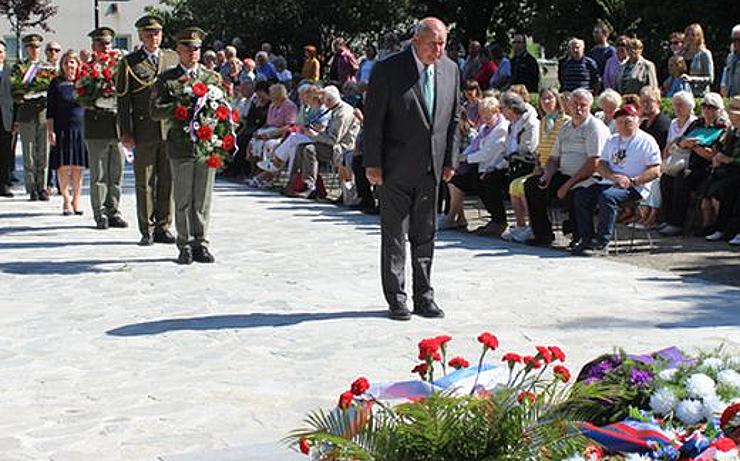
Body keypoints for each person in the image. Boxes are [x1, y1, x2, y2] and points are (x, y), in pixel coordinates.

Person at [364, 17, 459, 321]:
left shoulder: (451, 70)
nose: (438, 50)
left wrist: (449, 161)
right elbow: (373, 122)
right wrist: (373, 164)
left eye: (443, 43)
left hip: (431, 168)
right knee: (394, 235)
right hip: (394, 168)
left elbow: (454, 121)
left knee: (426, 234)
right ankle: (397, 297)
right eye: (433, 43)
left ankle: (424, 296)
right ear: (417, 40)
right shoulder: (389, 70)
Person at [150, 27, 221, 265]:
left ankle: (200, 242)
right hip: (180, 144)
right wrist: (177, 108)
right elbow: (154, 111)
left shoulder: (211, 78)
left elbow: (222, 110)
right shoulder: (167, 79)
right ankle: (184, 243)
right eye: (188, 48)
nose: (193, 52)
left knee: (202, 197)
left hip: (206, 144)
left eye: (197, 48)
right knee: (182, 197)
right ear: (178, 51)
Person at [116, 14, 179, 246]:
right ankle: (147, 228)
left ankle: (164, 225)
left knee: (167, 180)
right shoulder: (129, 62)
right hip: (143, 130)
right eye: (150, 33)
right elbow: (123, 101)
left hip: (169, 130)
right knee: (144, 181)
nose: (154, 37)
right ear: (141, 35)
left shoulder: (172, 58)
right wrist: (126, 131)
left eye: (158, 33)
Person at [525, 88, 609, 247]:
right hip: (564, 174)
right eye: (575, 104)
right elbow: (554, 158)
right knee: (532, 186)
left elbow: (594, 163)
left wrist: (567, 185)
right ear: (568, 105)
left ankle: (580, 236)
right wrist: (547, 175)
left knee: (575, 193)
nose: (578, 108)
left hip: (589, 177)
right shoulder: (565, 127)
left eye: (582, 105)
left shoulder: (594, 127)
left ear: (590, 106)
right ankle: (543, 235)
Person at [573, 104, 661, 255]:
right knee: (581, 195)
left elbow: (655, 170)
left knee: (608, 197)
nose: (623, 125)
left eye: (628, 121)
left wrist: (633, 181)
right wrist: (612, 176)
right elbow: (601, 164)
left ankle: (602, 243)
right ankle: (586, 239)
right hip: (609, 182)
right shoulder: (613, 140)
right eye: (619, 122)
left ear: (637, 121)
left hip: (634, 187)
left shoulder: (646, 141)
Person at [660, 92, 728, 236]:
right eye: (704, 106)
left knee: (683, 177)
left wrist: (693, 147)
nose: (707, 111)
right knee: (666, 178)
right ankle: (667, 219)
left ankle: (677, 223)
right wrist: (685, 143)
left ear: (719, 110)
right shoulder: (697, 123)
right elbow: (681, 140)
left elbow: (712, 155)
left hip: (708, 168)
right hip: (690, 162)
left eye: (712, 108)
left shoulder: (722, 127)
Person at [506, 88, 569, 243]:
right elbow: (541, 148)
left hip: (558, 168)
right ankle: (531, 228)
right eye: (543, 99)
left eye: (550, 98)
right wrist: (538, 166)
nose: (546, 102)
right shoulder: (543, 122)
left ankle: (537, 230)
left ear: (557, 100)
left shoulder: (565, 121)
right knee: (519, 185)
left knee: (529, 186)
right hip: (543, 167)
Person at [441, 96, 508, 232]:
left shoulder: (501, 129)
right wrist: (459, 158)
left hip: (497, 167)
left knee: (486, 182)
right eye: (482, 114)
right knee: (455, 180)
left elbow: (486, 154)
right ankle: (455, 217)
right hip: (482, 166)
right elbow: (473, 147)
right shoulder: (484, 128)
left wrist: (464, 159)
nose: (484, 118)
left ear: (497, 112)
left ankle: (499, 220)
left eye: (488, 115)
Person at [84, 27, 127, 229]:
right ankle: (100, 213)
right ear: (94, 46)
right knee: (99, 175)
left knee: (116, 172)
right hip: (96, 126)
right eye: (101, 44)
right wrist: (94, 101)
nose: (105, 47)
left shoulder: (120, 66)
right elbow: (81, 94)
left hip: (117, 126)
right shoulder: (88, 68)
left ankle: (114, 210)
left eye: (108, 43)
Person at [291, 85, 358, 198]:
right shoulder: (334, 109)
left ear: (329, 100)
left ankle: (311, 186)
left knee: (309, 149)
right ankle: (297, 183)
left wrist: (315, 135)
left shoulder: (342, 113)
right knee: (301, 147)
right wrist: (317, 131)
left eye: (324, 101)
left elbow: (333, 139)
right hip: (333, 146)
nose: (323, 103)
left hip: (342, 148)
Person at [46, 50, 88, 215]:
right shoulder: (56, 83)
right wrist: (51, 131)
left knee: (78, 167)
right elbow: (50, 110)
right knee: (63, 167)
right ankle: (66, 200)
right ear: (62, 65)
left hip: (81, 129)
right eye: (66, 63)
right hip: (62, 129)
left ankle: (77, 200)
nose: (69, 66)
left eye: (72, 62)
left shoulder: (84, 82)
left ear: (78, 64)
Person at [14, 34, 54, 201]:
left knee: (44, 151)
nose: (34, 50)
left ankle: (43, 186)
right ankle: (31, 187)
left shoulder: (47, 67)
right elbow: (15, 89)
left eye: (37, 47)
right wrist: (26, 93)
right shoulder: (20, 67)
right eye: (31, 47)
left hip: (44, 112)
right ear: (26, 49)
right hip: (26, 113)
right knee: (29, 151)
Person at [702, 96, 740, 242]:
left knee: (733, 189)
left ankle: (735, 230)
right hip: (730, 170)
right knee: (724, 189)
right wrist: (719, 156)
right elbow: (723, 150)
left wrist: (730, 160)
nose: (732, 117)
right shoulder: (732, 130)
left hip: (736, 169)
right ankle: (722, 228)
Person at [682, 23, 714, 97]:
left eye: (693, 35)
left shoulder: (705, 54)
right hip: (682, 94)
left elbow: (710, 79)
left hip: (699, 95)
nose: (690, 37)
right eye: (687, 35)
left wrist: (692, 79)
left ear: (699, 36)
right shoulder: (681, 54)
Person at [0, 39, 13, 197]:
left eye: (1, 52)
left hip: (5, 116)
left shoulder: (11, 71)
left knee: (5, 151)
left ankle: (4, 184)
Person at [720, 25, 740, 97]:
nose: (736, 43)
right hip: (730, 97)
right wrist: (723, 84)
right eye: (733, 40)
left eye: (739, 40)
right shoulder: (730, 56)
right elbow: (726, 71)